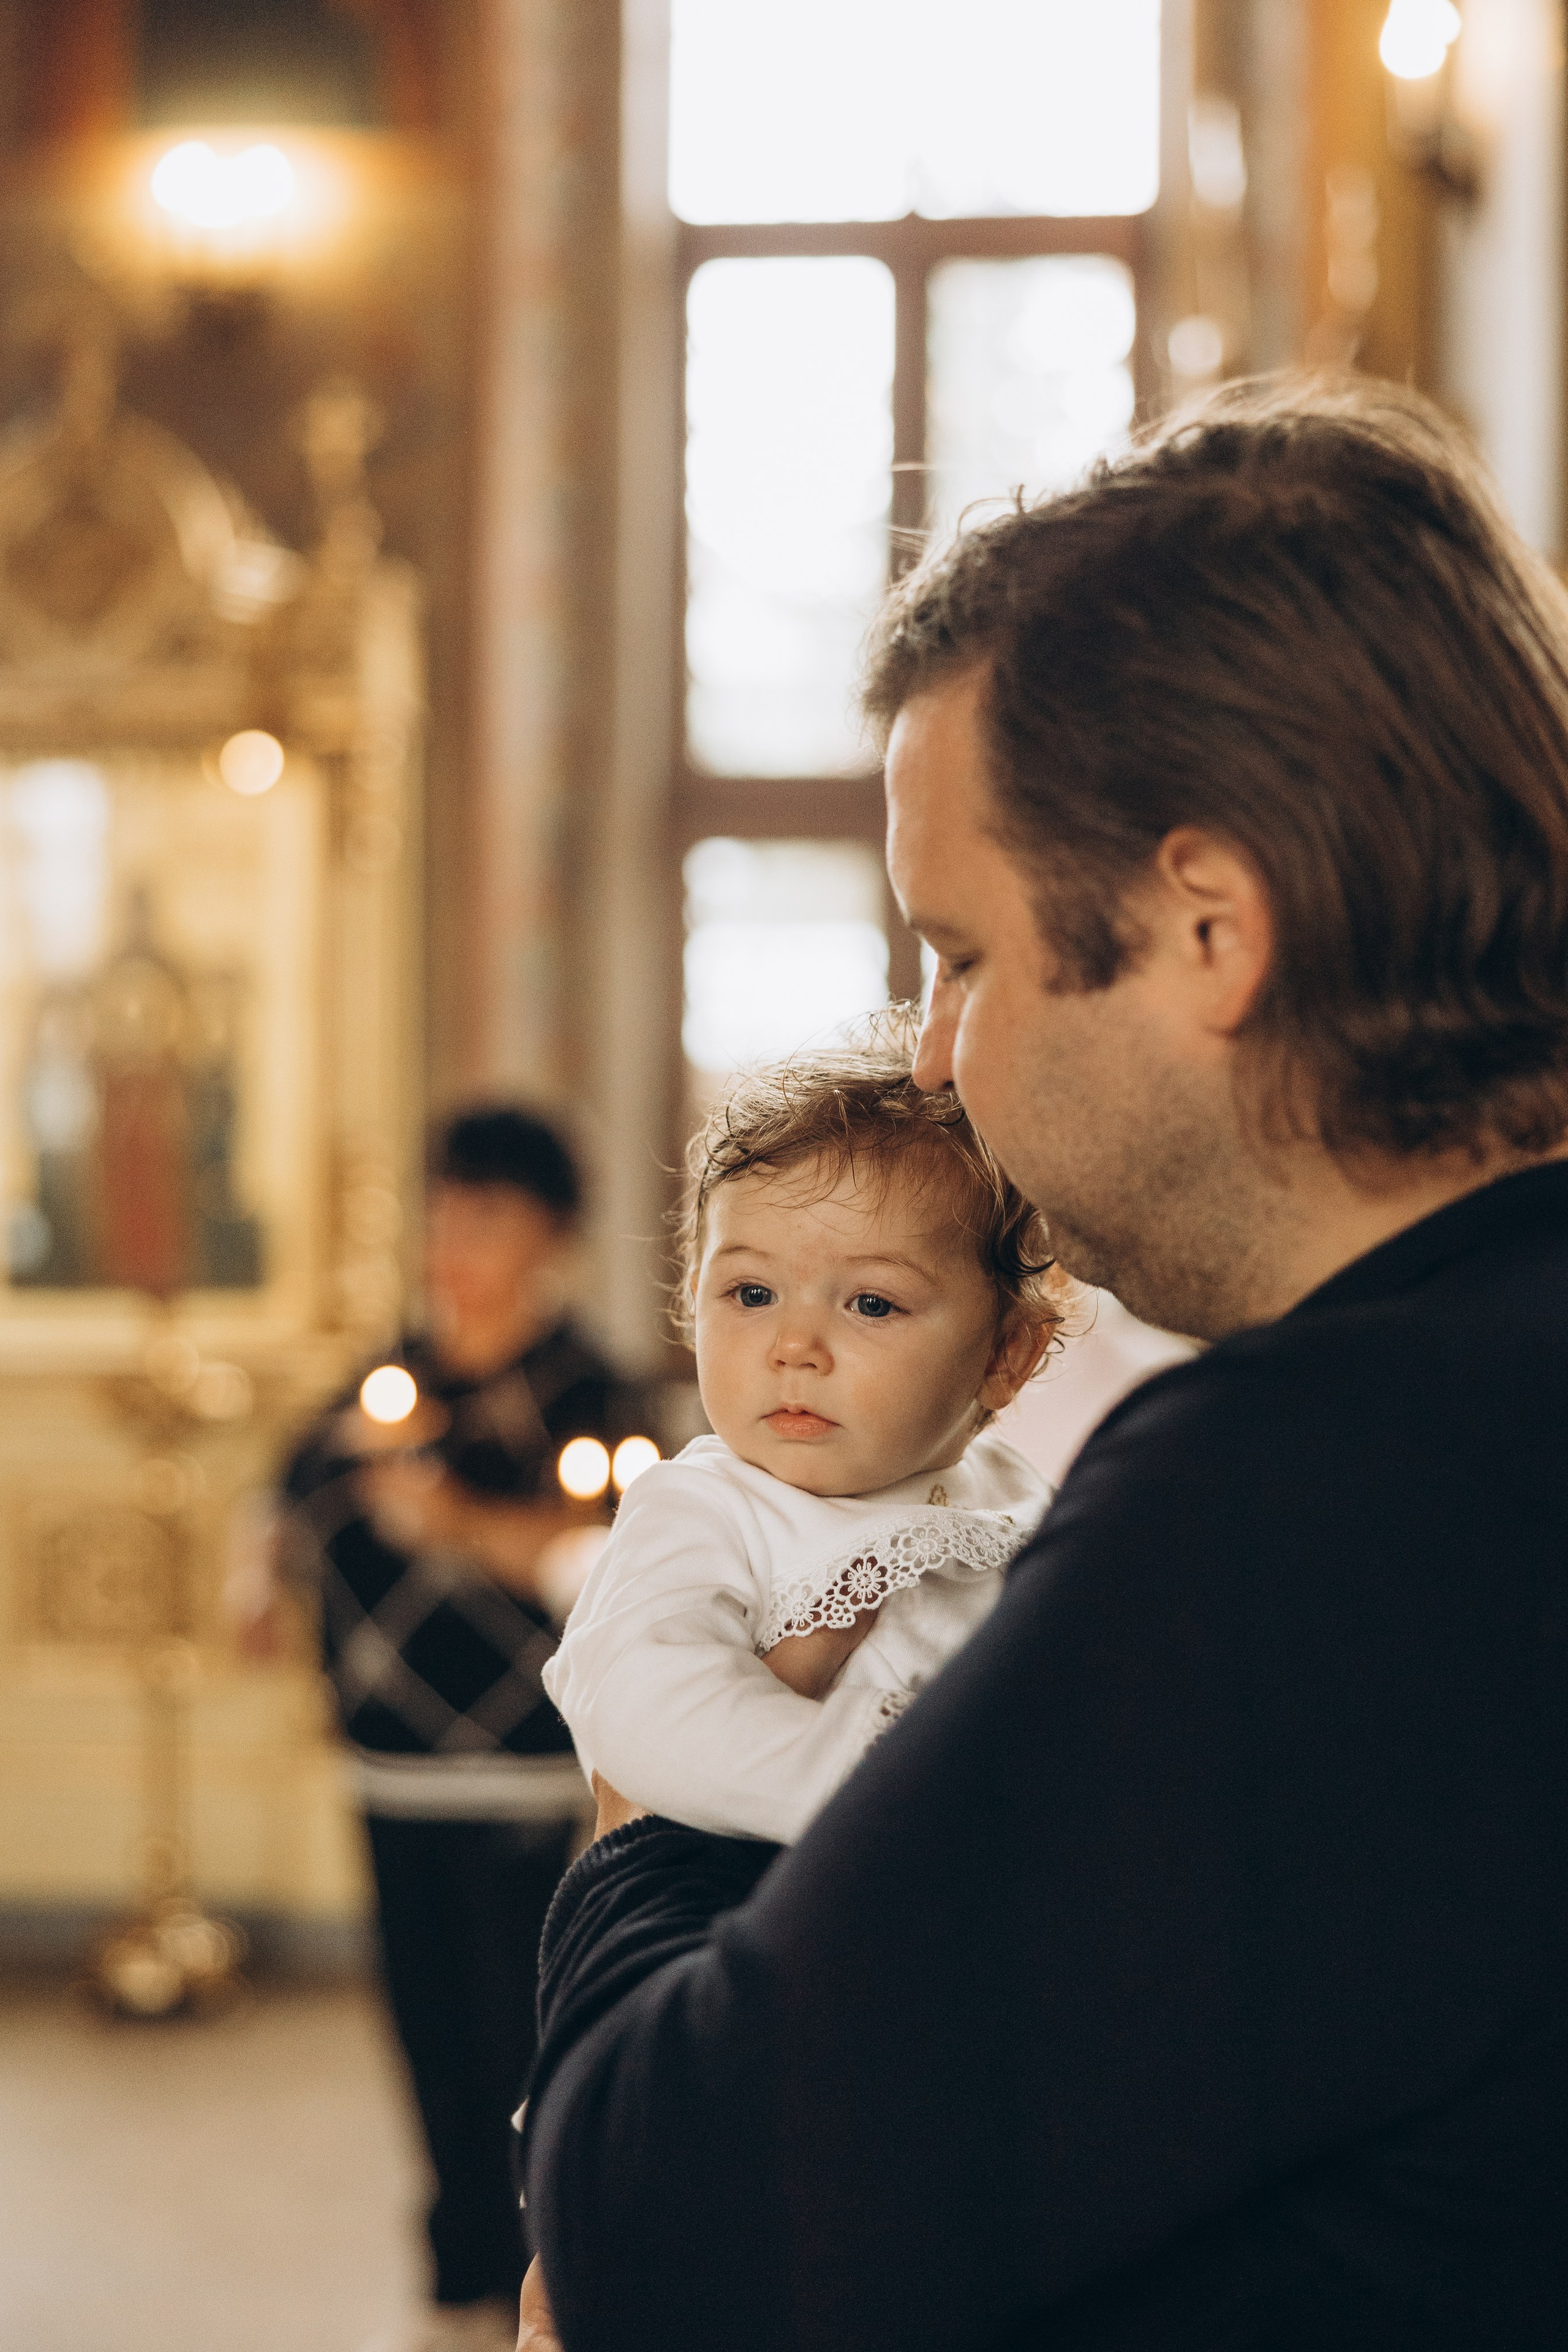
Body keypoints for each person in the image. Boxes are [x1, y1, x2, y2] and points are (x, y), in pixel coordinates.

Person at [516, 380, 1568, 2351]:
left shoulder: (1306, 1492)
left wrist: (646, 1819)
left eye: (964, 956)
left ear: (1203, 928)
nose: (933, 1059)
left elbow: (672, 2234)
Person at [257, 1106, 644, 2352]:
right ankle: (455, 2287)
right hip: (391, 1766)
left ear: (551, 1234)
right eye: (438, 1209)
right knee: (426, 2039)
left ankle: (550, 2290)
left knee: (527, 2049)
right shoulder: (390, 1379)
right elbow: (289, 1498)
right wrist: (254, 1570)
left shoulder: (586, 1388)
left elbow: (621, 1557)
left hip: (528, 1776)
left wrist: (464, 1522)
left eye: (483, 1212)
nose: (451, 1239)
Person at [545, 1030, 1061, 1845]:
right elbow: (645, 1707)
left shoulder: (1017, 1496)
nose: (795, 1347)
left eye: (870, 1304)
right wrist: (904, 1799)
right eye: (752, 1293)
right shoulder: (704, 1509)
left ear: (1006, 1355)